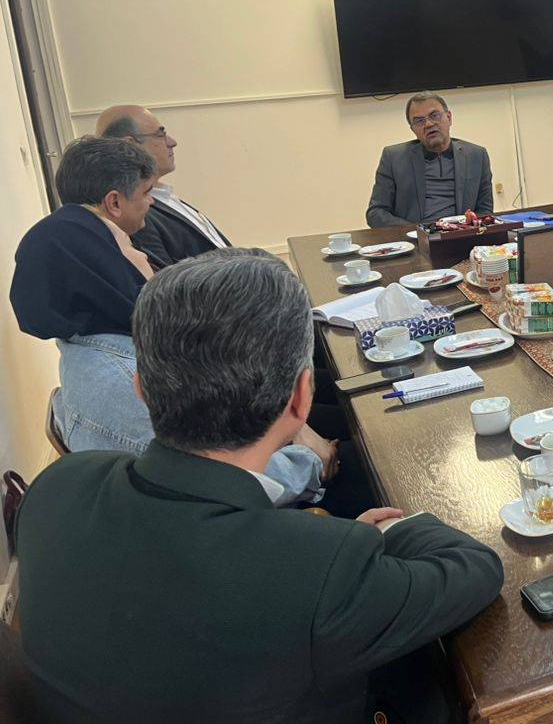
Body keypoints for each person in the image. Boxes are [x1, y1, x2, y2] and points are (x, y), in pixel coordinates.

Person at [15, 249, 505, 724]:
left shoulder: (56, 488)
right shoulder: (313, 571)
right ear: (302, 399)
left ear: (141, 388)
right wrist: (388, 533)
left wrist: (326, 555)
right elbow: (475, 569)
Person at [9, 136, 326, 505]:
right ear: (107, 271)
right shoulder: (123, 383)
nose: (145, 257)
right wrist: (314, 462)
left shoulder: (102, 348)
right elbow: (226, 481)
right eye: (129, 248)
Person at [97, 104, 231, 268]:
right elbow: (165, 280)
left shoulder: (164, 196)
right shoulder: (137, 213)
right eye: (160, 135)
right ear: (131, 145)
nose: (172, 142)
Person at [366, 92, 494, 227]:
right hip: (416, 236)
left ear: (449, 118)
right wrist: (416, 231)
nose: (428, 124)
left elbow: (484, 211)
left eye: (434, 115)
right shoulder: (394, 158)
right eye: (419, 121)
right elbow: (376, 213)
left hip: (462, 234)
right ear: (413, 129)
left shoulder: (477, 155)